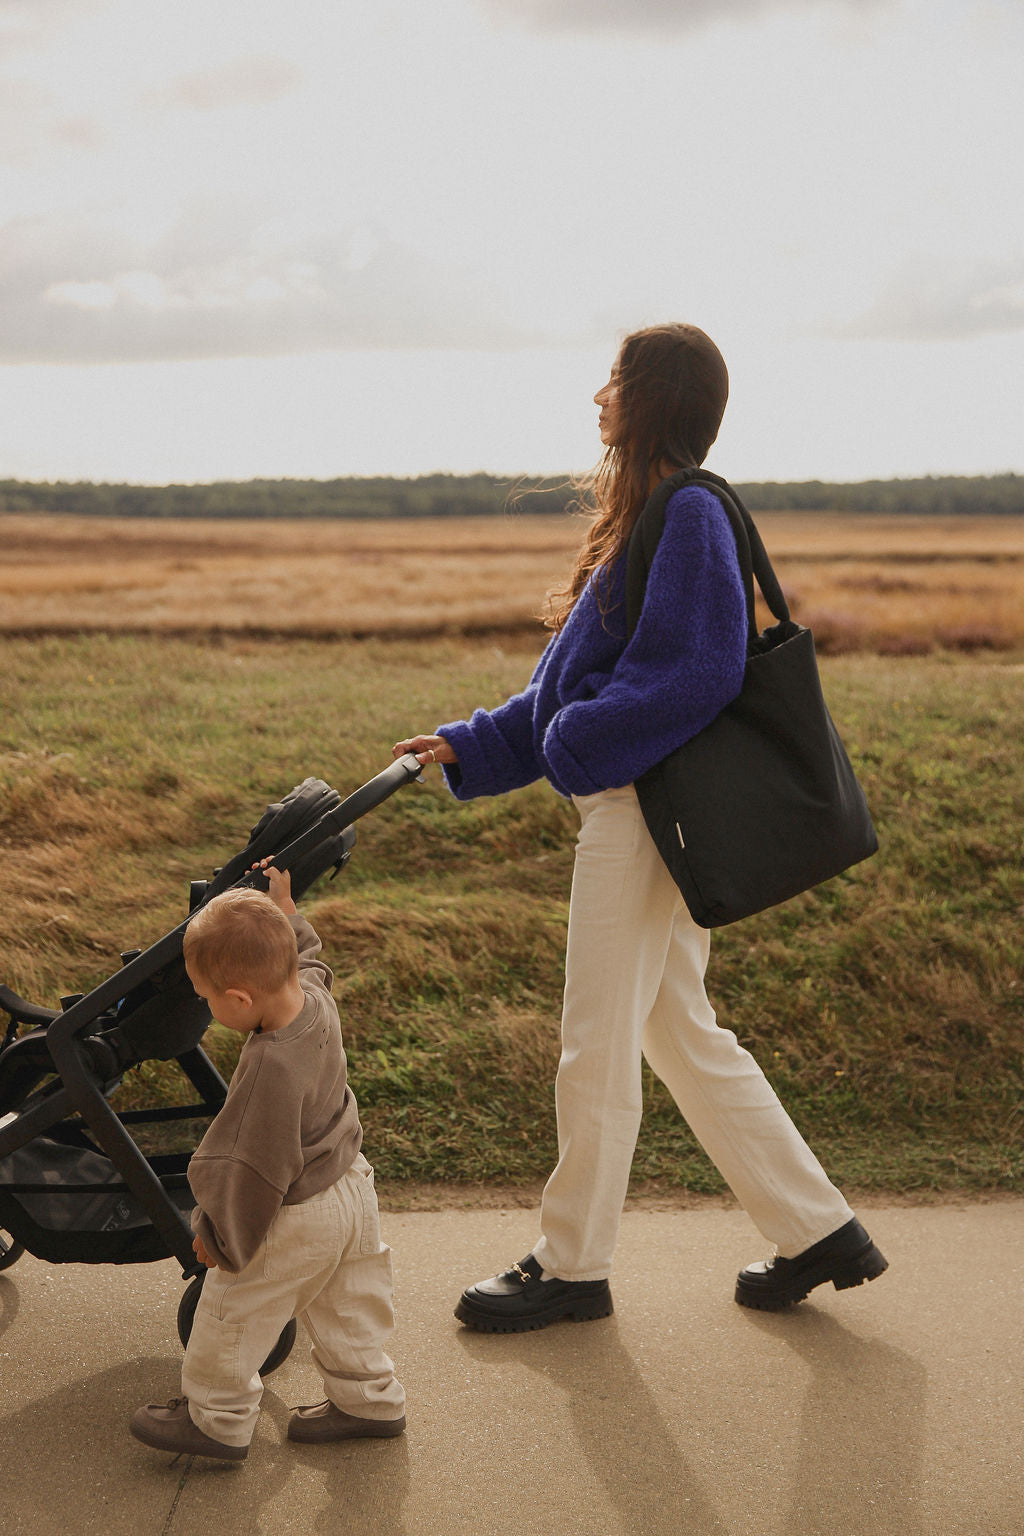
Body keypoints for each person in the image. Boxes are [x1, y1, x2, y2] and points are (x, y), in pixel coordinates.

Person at [394, 321, 887, 1333]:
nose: (597, 398)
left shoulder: (690, 513)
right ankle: (817, 1227)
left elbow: (694, 675)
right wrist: (472, 744)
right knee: (675, 1031)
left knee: (596, 1040)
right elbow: (567, 688)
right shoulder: (653, 517)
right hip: (635, 803)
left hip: (640, 816)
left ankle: (571, 1264)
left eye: (613, 380)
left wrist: (575, 741)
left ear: (654, 395)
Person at [130, 863, 406, 1462]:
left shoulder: (266, 1069)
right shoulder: (311, 997)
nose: (207, 1007)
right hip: (353, 1187)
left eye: (206, 998)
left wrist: (221, 1239)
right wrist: (286, 911)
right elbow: (308, 957)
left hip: (300, 1209)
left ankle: (216, 1420)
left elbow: (248, 1168)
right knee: (350, 1302)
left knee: (234, 1308)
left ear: (238, 998)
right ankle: (370, 1400)